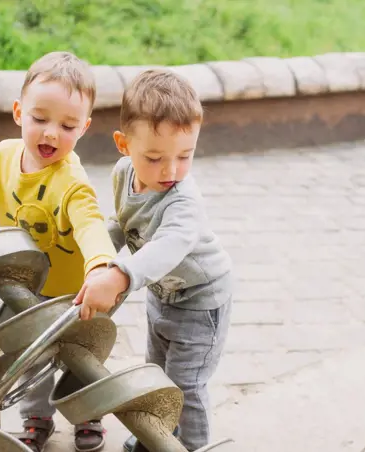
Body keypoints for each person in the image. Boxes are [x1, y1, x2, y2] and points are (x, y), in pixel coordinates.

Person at [0, 51, 114, 452]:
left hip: (75, 296)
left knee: (78, 357)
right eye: (40, 119)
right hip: (25, 290)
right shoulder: (3, 156)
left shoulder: (72, 182)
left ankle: (89, 413)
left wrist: (101, 267)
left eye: (67, 125)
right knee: (30, 358)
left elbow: (89, 224)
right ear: (19, 112)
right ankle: (36, 417)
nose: (52, 133)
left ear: (84, 127)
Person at [73, 68, 233, 452]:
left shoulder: (184, 201)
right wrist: (97, 258)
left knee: (186, 386)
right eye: (155, 157)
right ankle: (156, 437)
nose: (171, 170)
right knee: (156, 374)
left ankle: (189, 446)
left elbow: (168, 246)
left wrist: (119, 276)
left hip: (201, 301)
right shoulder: (123, 174)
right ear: (123, 144)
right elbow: (123, 224)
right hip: (161, 294)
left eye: (185, 155)